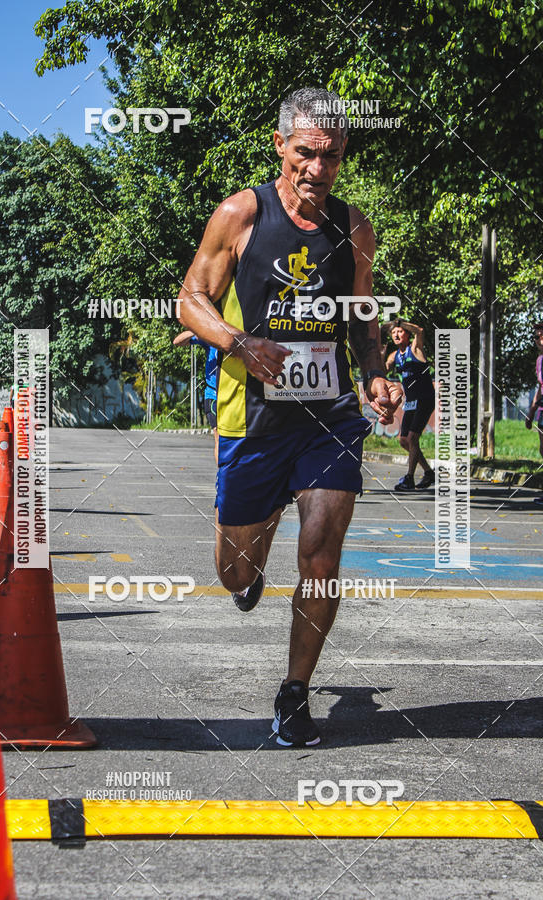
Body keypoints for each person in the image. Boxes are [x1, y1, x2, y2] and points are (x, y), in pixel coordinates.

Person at [177, 86, 402, 747]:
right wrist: (239, 342)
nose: (318, 169)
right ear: (281, 145)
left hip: (327, 416)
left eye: (332, 157)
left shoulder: (353, 228)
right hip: (252, 415)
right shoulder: (240, 214)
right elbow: (191, 298)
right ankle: (252, 556)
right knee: (237, 572)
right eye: (306, 153)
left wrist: (377, 375)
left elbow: (362, 319)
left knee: (322, 556)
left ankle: (294, 694)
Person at [384, 319, 435, 491]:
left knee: (413, 438)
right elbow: (382, 371)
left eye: (400, 332)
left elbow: (420, 330)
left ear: (406, 334)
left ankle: (409, 478)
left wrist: (400, 323)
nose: (397, 335)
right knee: (404, 441)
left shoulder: (415, 349)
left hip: (424, 398)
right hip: (411, 401)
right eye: (394, 333)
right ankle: (428, 472)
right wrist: (381, 355)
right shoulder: (394, 355)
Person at [173, 330, 219, 463]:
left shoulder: (237, 338)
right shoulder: (210, 338)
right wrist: (195, 328)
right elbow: (177, 342)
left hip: (233, 395)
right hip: (213, 395)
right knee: (219, 438)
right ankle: (222, 478)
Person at [525, 321, 543, 507]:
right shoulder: (540, 360)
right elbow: (540, 387)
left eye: (541, 336)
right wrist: (530, 412)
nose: (539, 340)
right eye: (536, 337)